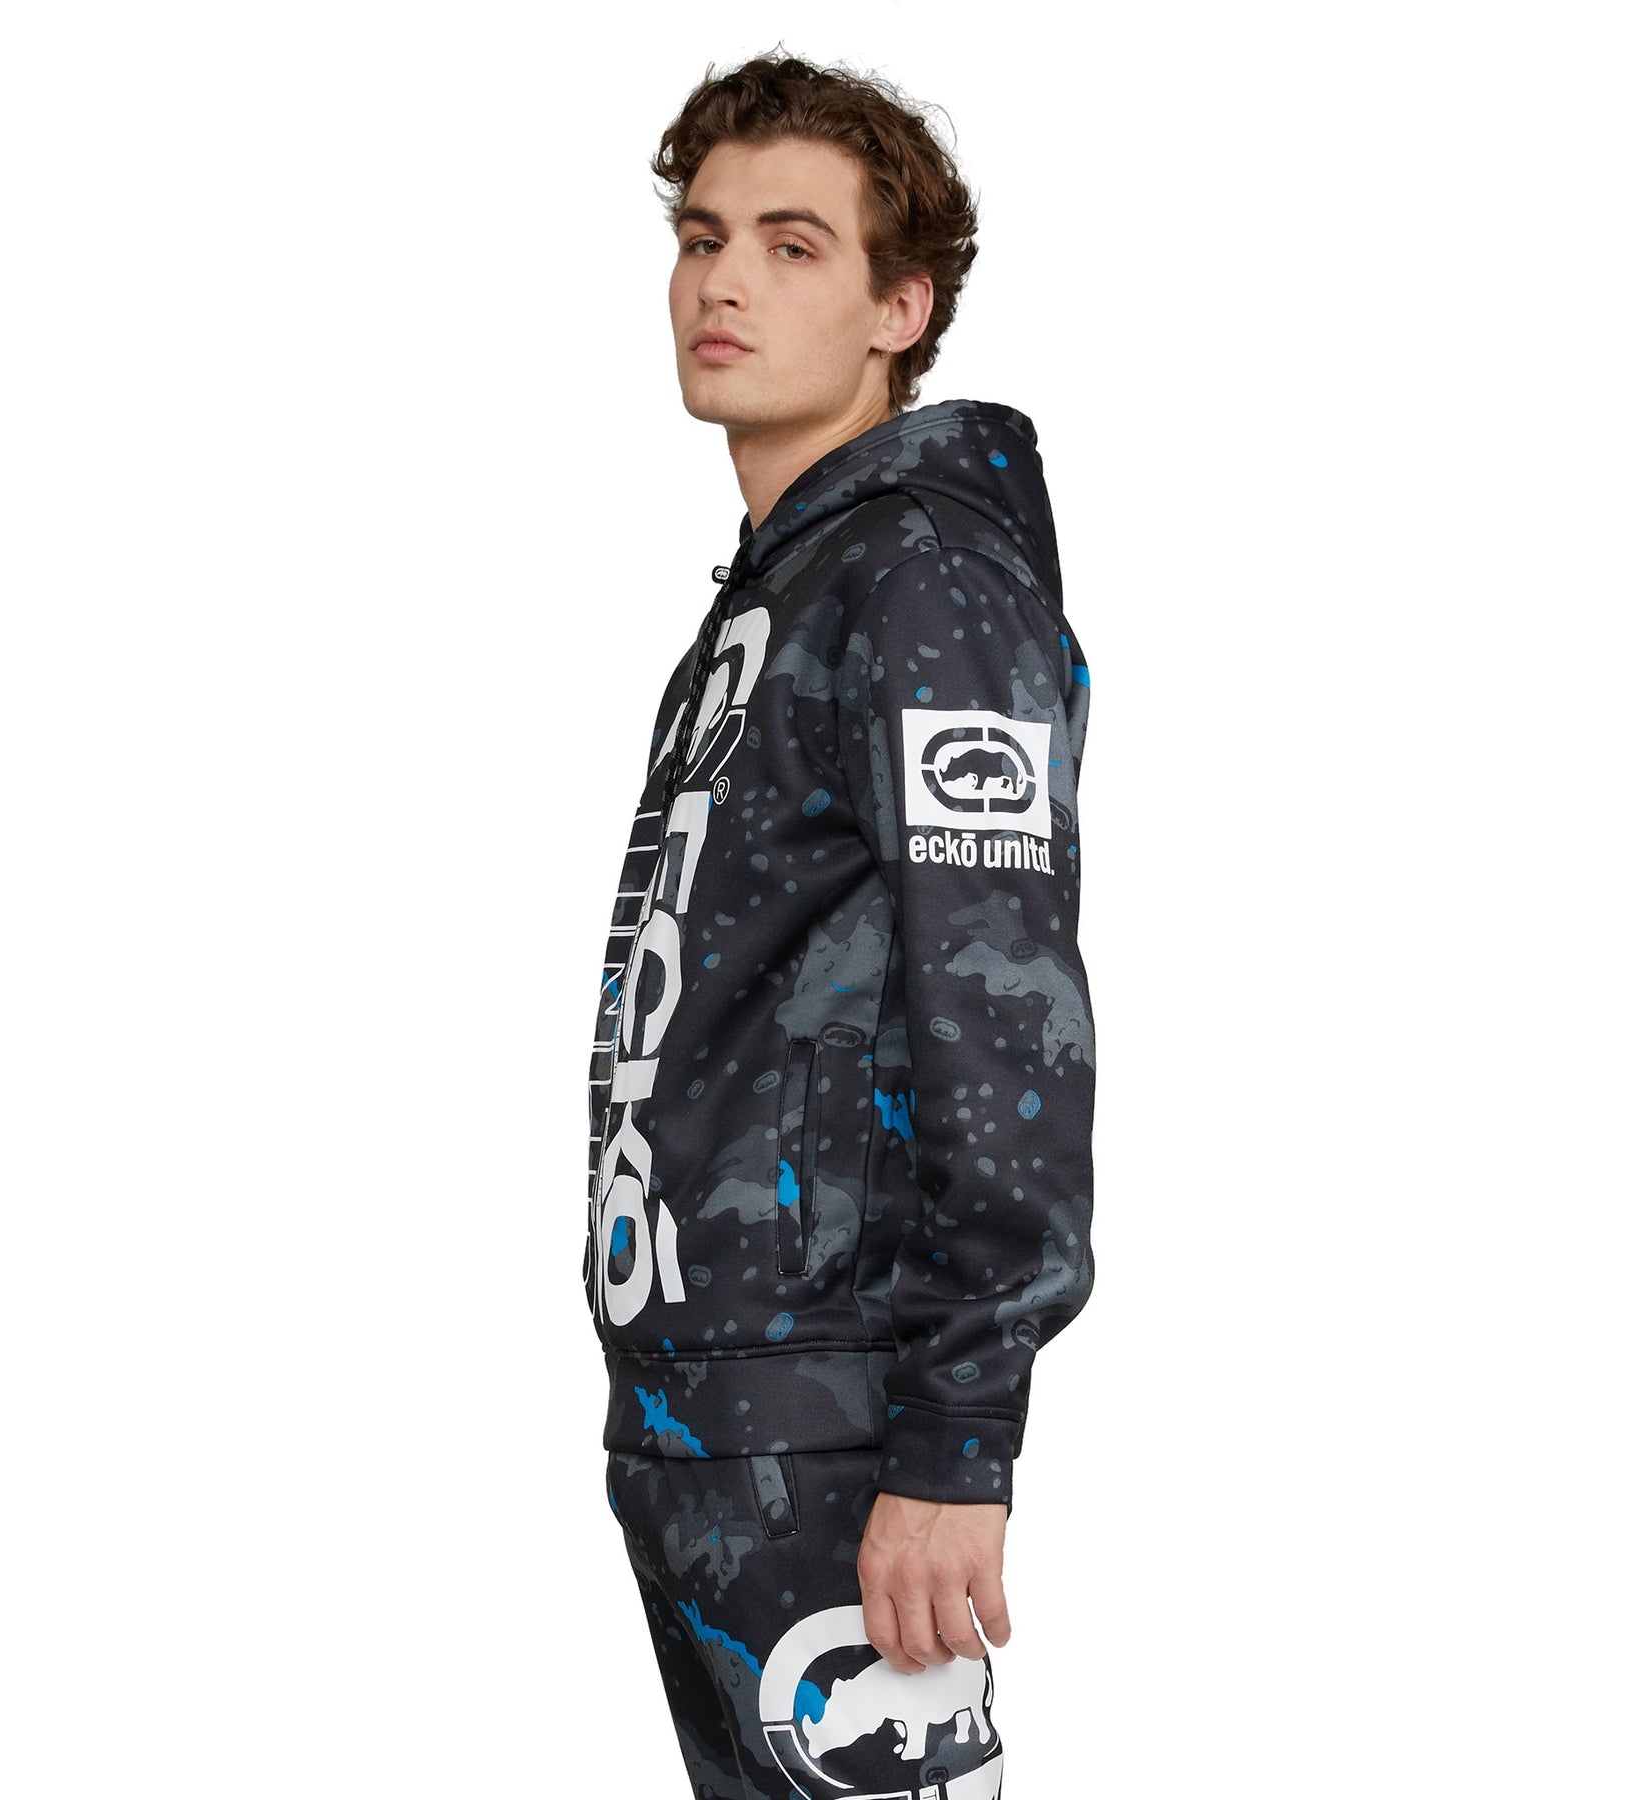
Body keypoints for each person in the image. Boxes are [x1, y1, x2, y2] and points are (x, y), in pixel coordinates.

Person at [584, 50, 1096, 1799]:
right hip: (708, 1408)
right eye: (703, 237)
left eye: (792, 245)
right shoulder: (786, 590)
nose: (722, 281)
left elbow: (1006, 1012)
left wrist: (958, 1438)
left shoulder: (923, 579)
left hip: (834, 1423)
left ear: (901, 306)